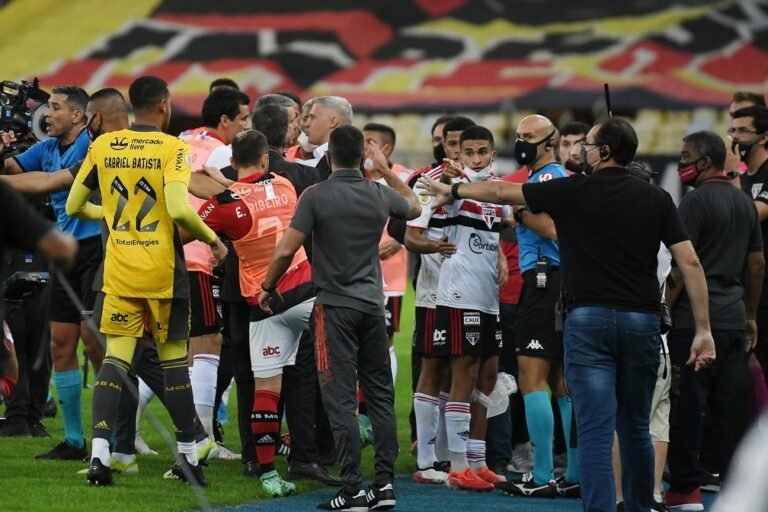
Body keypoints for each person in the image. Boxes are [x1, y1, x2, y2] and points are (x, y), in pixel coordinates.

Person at [418, 117, 716, 512]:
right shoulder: (657, 198)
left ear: (605, 152)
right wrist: (703, 329)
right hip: (642, 322)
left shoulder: (575, 188)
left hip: (588, 320)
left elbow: (501, 191)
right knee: (635, 426)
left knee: (594, 428)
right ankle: (641, 506)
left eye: (588, 145)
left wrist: (451, 188)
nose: (580, 151)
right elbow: (690, 263)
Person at [65, 75, 228, 486]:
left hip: (119, 272)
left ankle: (101, 457)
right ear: (164, 105)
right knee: (174, 364)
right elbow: (178, 206)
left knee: (115, 362)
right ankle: (189, 457)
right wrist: (213, 241)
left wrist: (109, 217)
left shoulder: (102, 145)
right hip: (162, 273)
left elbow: (73, 204)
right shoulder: (174, 147)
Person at [258, 125, 421, 511]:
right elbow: (414, 207)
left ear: (328, 158)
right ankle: (383, 486)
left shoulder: (317, 195)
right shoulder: (379, 193)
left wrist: (268, 285)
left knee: (340, 399)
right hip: (372, 307)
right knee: (380, 397)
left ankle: (351, 490)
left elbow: (285, 250)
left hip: (333, 308)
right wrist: (384, 171)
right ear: (362, 158)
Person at [0, 85, 105, 460]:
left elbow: (45, 183)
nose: (47, 114)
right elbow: (16, 168)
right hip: (65, 256)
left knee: (96, 345)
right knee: (61, 345)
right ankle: (76, 441)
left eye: (56, 108)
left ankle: (116, 436)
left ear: (79, 116)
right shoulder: (46, 148)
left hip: (97, 249)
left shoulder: (93, 145)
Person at [664, 131, 764, 510]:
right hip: (734, 320)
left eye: (685, 155)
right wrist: (750, 315)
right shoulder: (743, 202)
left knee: (687, 407)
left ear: (704, 162)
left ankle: (684, 489)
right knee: (728, 410)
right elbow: (757, 265)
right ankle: (733, 488)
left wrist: (665, 310)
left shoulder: (693, 204)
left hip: (694, 323)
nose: (681, 162)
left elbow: (681, 267)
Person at [499, 115, 579, 499]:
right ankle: (574, 472)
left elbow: (552, 229)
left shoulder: (546, 179)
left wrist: (518, 213)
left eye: (528, 137)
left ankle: (544, 473)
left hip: (545, 281)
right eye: (517, 137)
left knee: (530, 376)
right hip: (562, 281)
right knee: (561, 380)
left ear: (550, 142)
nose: (521, 143)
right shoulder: (551, 177)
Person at [433, 125, 510, 491]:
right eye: (470, 153)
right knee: (463, 375)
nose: (477, 159)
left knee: (488, 377)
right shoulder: (451, 184)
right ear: (459, 155)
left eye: (483, 152)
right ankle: (458, 465)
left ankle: (478, 460)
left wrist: (500, 255)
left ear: (493, 155)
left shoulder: (497, 190)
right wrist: (446, 182)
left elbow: (502, 225)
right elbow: (431, 202)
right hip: (460, 295)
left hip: (488, 296)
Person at [179, 87, 251, 449]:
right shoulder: (221, 152)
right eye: (243, 119)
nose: (247, 127)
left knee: (161, 350)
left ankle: (126, 436)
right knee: (206, 343)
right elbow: (231, 199)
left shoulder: (182, 139)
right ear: (225, 121)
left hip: (166, 251)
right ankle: (203, 436)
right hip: (197, 255)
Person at [406, 116, 472, 486]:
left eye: (466, 144)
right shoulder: (427, 184)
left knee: (462, 371)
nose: (458, 151)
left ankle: (448, 456)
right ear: (443, 146)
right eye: (452, 144)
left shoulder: (479, 184)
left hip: (472, 294)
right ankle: (427, 459)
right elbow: (407, 236)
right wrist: (436, 247)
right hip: (434, 292)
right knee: (433, 369)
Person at [363, 122, 411, 383]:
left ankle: (379, 407)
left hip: (390, 277)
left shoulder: (405, 178)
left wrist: (400, 241)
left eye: (368, 141)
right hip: (357, 274)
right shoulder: (356, 176)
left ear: (386, 148)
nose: (363, 148)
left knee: (384, 340)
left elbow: (423, 217)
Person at [733, 106, 768, 388]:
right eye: (732, 130)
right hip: (738, 286)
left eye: (743, 131)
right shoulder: (739, 177)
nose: (736, 137)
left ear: (764, 138)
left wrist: (731, 173)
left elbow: (749, 214)